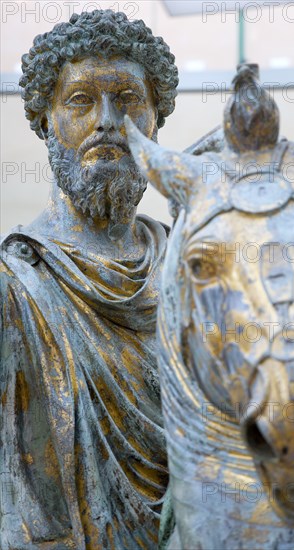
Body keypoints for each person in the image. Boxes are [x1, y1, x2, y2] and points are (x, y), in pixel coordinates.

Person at [0, 10, 178, 549]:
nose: (106, 121)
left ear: (154, 120)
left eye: (127, 99)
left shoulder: (195, 271)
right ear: (46, 119)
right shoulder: (15, 286)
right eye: (80, 101)